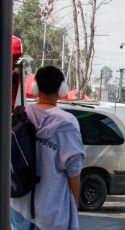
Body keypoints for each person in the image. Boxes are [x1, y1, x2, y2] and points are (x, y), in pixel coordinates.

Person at [11, 66, 85, 230]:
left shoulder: (21, 115)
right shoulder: (67, 123)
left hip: (18, 204)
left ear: (35, 87)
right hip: (51, 209)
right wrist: (74, 202)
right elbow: (74, 168)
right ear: (62, 89)